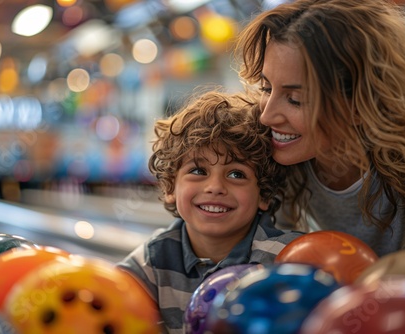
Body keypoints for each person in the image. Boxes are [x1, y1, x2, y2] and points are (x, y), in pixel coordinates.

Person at [233, 0, 405, 257]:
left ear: (362, 104)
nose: (267, 116)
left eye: (296, 100)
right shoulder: (273, 153)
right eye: (266, 88)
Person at [116, 89, 304, 333]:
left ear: (264, 195)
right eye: (198, 171)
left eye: (237, 174)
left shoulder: (287, 260)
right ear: (171, 186)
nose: (215, 187)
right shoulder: (150, 263)